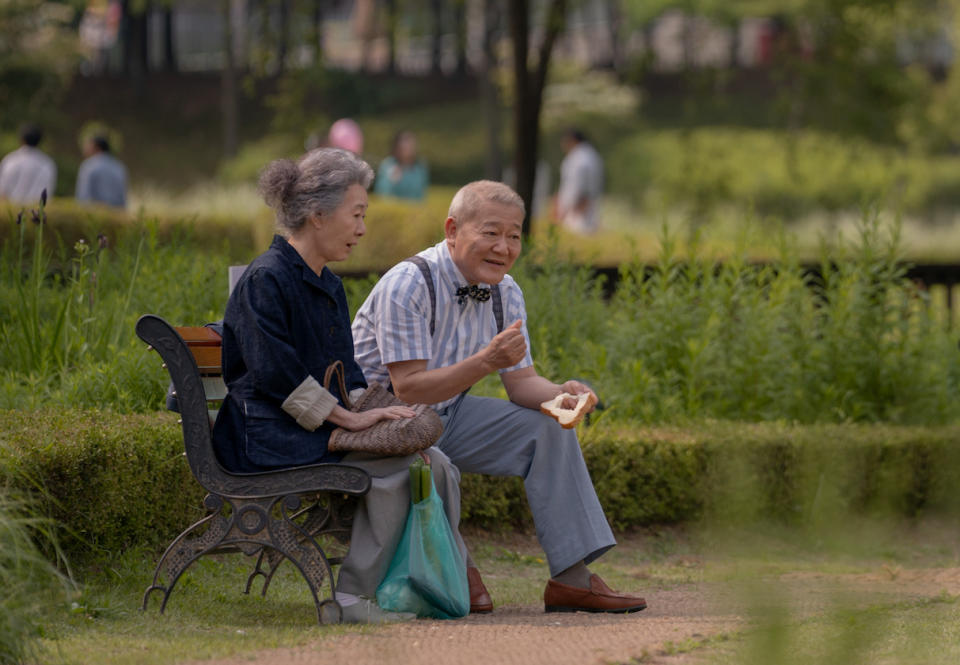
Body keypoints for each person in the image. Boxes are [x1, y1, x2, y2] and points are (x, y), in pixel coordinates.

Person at [352, 180, 647, 614]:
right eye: (490, 233)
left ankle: (571, 580)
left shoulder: (505, 292)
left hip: (445, 415)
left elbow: (521, 383)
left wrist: (560, 394)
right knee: (470, 591)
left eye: (514, 235)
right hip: (382, 424)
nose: (504, 247)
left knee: (549, 429)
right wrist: (486, 361)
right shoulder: (409, 284)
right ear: (453, 229)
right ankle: (456, 565)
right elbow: (408, 386)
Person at [211, 148, 469, 624]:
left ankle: (432, 584)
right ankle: (353, 598)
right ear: (317, 214)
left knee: (435, 462)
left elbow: (347, 374)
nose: (363, 229)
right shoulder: (265, 279)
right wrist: (350, 419)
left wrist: (380, 412)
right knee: (394, 474)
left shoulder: (327, 284)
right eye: (357, 215)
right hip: (263, 436)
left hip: (303, 429)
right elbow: (275, 375)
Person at [554, 128, 603, 235]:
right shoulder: (589, 155)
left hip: (578, 208)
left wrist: (571, 207)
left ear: (572, 140)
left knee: (578, 234)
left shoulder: (580, 158)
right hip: (582, 206)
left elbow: (580, 185)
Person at [0, 124, 57, 205]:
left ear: (21, 139)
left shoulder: (10, 160)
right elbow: (48, 193)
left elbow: (3, 192)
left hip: (11, 211)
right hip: (36, 213)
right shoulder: (47, 163)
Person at [75, 134, 127, 208]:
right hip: (116, 214)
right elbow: (122, 197)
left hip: (95, 215)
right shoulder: (119, 166)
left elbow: (83, 197)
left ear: (96, 147)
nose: (85, 148)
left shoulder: (89, 166)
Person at [374, 130, 429, 201]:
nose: (408, 148)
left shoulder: (420, 167)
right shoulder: (388, 165)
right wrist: (392, 180)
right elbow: (382, 193)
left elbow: (422, 195)